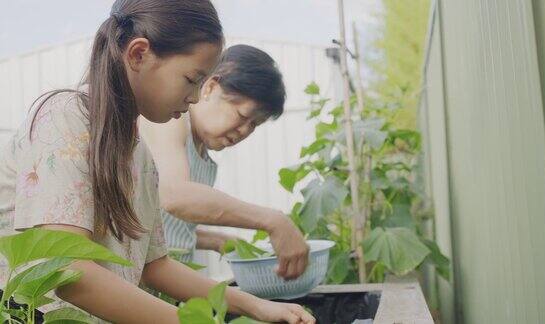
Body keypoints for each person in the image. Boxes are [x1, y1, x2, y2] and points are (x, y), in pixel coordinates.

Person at [0, 1, 315, 323]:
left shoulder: (138, 152)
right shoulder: (66, 117)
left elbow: (155, 265)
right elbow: (67, 270)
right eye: (192, 79)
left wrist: (256, 306)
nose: (194, 97)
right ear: (138, 55)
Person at [139, 44, 310, 280]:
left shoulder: (202, 154)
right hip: (138, 283)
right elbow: (174, 195)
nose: (243, 130)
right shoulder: (172, 121)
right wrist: (274, 221)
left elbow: (162, 226)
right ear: (210, 87)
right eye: (242, 116)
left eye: (254, 125)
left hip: (168, 282)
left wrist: (217, 241)